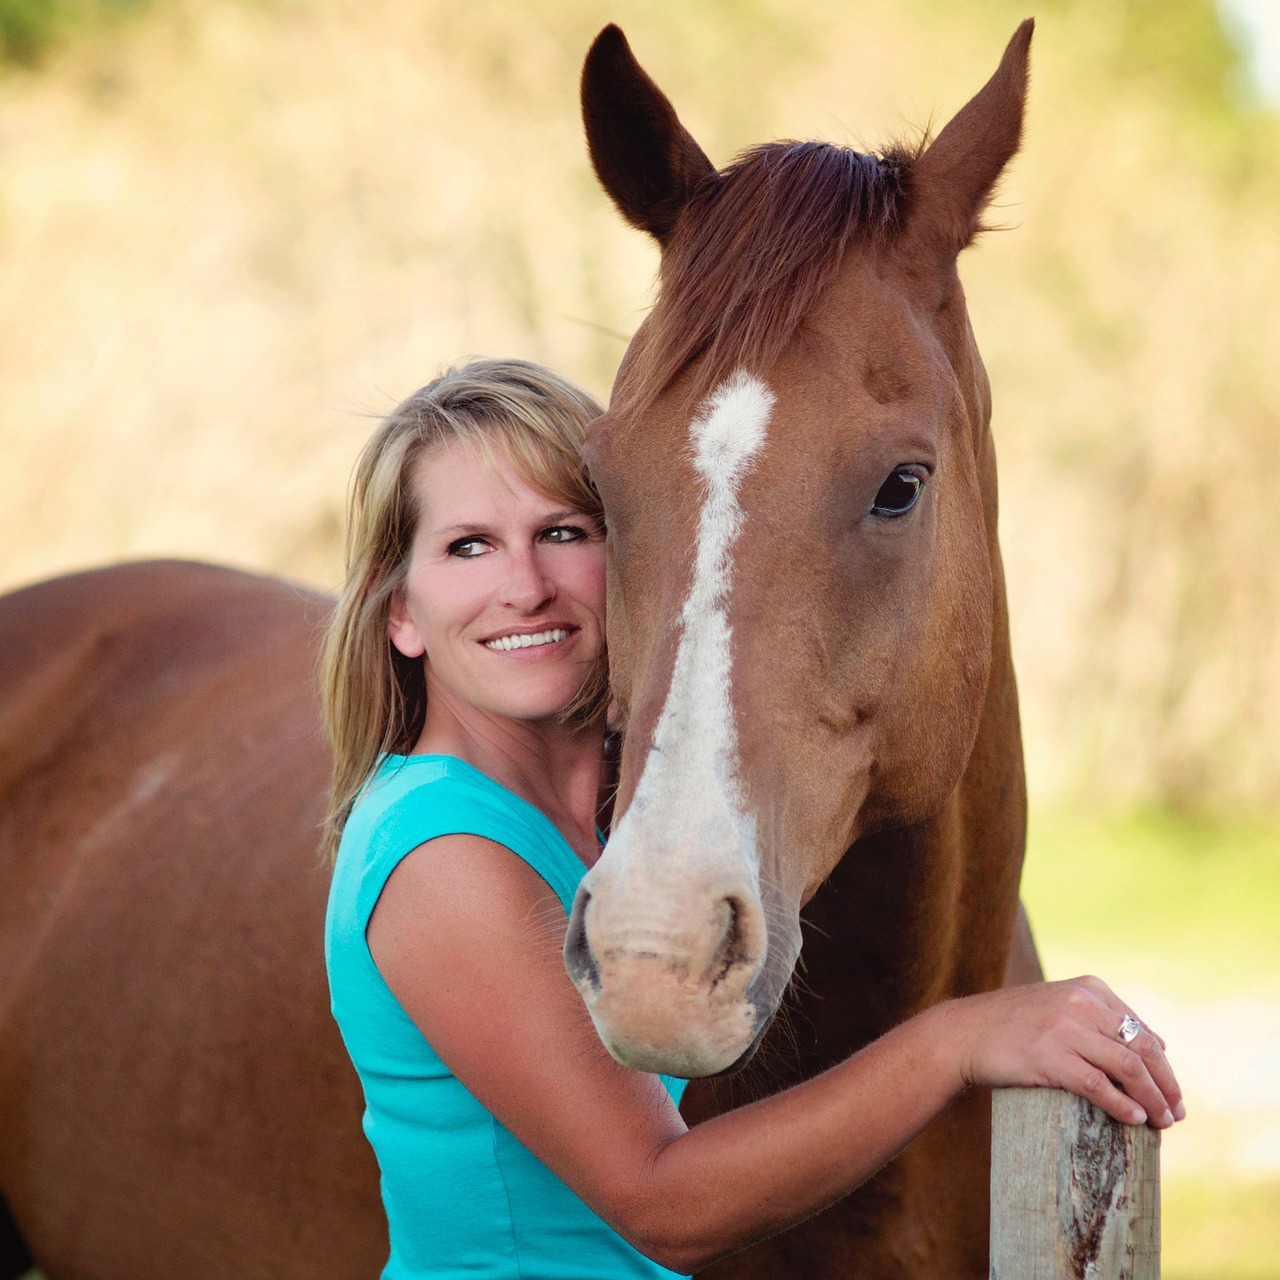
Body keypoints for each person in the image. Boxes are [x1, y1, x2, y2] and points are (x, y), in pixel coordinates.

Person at [321, 357, 1183, 1280]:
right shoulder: (444, 854)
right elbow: (661, 1199)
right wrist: (959, 1039)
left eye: (562, 531)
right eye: (468, 547)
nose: (525, 586)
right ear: (400, 612)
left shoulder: (628, 829)